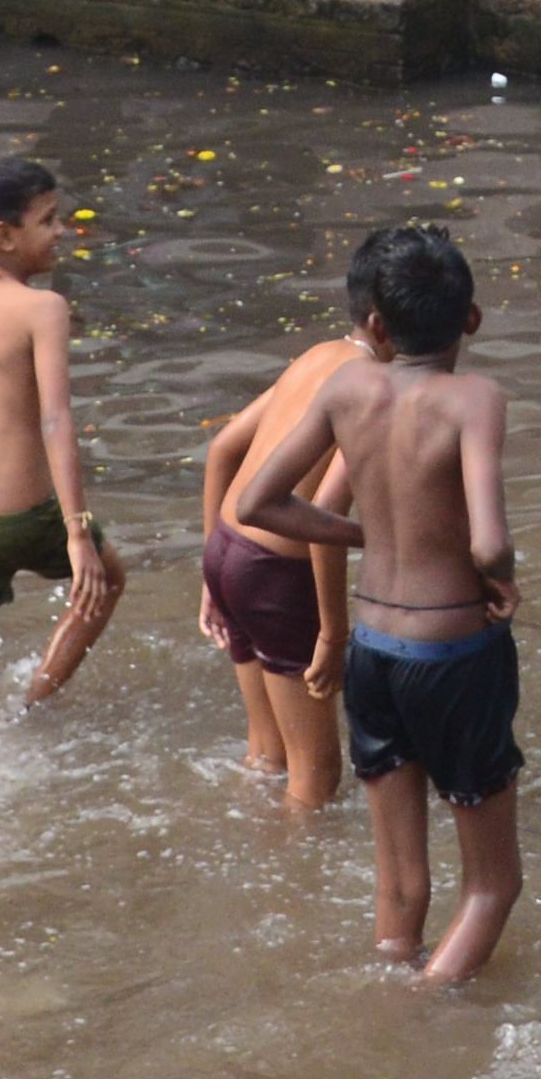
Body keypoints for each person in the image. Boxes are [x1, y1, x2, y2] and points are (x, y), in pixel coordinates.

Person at [228, 222, 526, 983]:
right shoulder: (475, 399)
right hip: (453, 652)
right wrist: (501, 582)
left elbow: (259, 500)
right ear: (472, 318)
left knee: (399, 883)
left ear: (374, 325)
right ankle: (425, 1020)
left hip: (374, 654)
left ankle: (389, 999)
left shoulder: (348, 389)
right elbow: (489, 543)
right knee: (494, 885)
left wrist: (368, 534)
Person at [0, 152, 125, 711]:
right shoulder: (42, 309)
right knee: (106, 580)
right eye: (48, 221)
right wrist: (77, 532)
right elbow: (55, 419)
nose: (61, 232)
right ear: (5, 236)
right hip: (21, 515)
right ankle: (29, 707)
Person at [201, 309, 371, 802]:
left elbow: (221, 449)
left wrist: (210, 575)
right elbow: (322, 517)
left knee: (268, 757)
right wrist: (334, 633)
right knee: (316, 779)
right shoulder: (369, 385)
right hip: (276, 570)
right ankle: (293, 876)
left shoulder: (317, 355)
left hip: (227, 546)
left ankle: (252, 847)